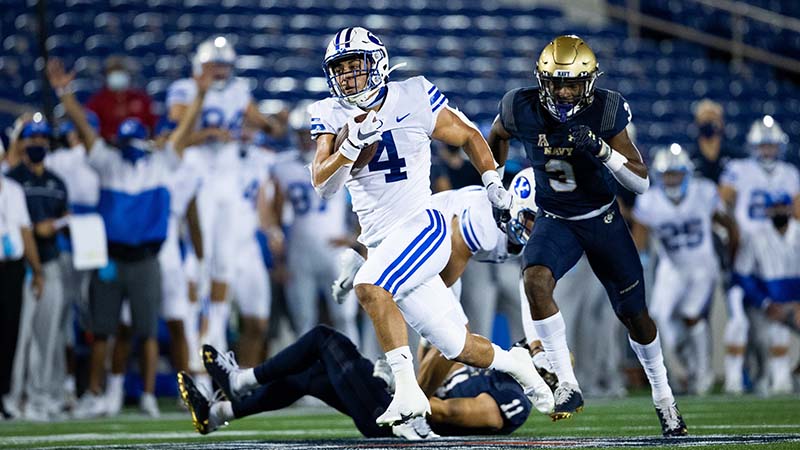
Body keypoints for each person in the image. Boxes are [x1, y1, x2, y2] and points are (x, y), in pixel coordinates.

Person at [305, 26, 552, 425]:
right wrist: (349, 147)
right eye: (341, 69)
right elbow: (323, 184)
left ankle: (407, 393)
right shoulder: (330, 113)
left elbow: (468, 134)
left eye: (356, 66)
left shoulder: (413, 95)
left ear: (379, 63)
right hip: (383, 240)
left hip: (423, 226)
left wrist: (491, 180)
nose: (349, 76)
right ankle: (516, 363)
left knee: (369, 285)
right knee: (456, 345)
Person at [488, 35, 687, 436]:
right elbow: (496, 136)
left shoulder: (605, 109)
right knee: (535, 280)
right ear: (542, 80)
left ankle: (664, 397)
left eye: (572, 84)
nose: (563, 91)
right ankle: (567, 383)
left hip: (602, 219)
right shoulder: (519, 105)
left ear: (588, 83)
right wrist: (494, 181)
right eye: (556, 83)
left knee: (635, 316)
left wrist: (602, 151)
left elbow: (642, 182)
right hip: (555, 217)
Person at [47, 58, 211, 418]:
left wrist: (199, 95)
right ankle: (96, 393)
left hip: (147, 257)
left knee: (147, 331)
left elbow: (183, 131)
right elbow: (85, 130)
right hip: (112, 258)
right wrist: (65, 94)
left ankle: (149, 394)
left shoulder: (159, 162)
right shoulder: (108, 161)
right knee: (105, 330)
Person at [179, 325, 540, 439]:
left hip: (401, 427)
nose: (526, 345)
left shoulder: (513, 399)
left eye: (537, 351)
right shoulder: (490, 371)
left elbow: (449, 415)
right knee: (310, 376)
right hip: (395, 412)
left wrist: (404, 390)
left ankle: (241, 379)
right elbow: (427, 375)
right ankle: (218, 413)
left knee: (325, 339)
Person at [167, 36, 283, 354]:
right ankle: (193, 328)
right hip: (197, 179)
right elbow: (176, 129)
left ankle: (213, 332)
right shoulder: (184, 90)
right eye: (214, 64)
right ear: (200, 65)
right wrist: (206, 132)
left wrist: (272, 124)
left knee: (224, 263)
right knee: (196, 260)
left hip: (227, 183)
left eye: (224, 65)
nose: (219, 71)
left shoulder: (238, 91)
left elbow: (264, 123)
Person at [632, 144, 738, 395]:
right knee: (658, 317)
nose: (672, 179)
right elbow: (640, 238)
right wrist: (640, 263)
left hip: (702, 265)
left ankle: (703, 375)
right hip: (672, 267)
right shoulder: (650, 200)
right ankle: (680, 371)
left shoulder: (704, 192)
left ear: (687, 173)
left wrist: (732, 255)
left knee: (692, 316)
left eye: (676, 173)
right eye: (667, 174)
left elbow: (729, 225)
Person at [718, 115, 799, 394]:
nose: (767, 151)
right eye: (762, 146)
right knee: (741, 323)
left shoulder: (790, 174)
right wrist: (732, 233)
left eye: (771, 146)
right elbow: (722, 203)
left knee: (774, 330)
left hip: (776, 262)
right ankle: (735, 380)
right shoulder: (738, 170)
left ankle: (779, 377)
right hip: (747, 250)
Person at [268, 103, 359, 342]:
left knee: (345, 317)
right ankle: (305, 376)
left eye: (309, 135)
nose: (305, 141)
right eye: (300, 134)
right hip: (299, 249)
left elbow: (361, 202)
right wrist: (279, 255)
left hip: (335, 248)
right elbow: (275, 212)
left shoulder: (339, 158)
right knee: (303, 320)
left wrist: (354, 237)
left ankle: (356, 372)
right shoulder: (283, 165)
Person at [6, 117, 69, 421]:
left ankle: (40, 397)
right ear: (22, 143)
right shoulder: (12, 178)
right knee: (18, 338)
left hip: (51, 262)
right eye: (32, 139)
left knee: (47, 336)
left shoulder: (57, 182)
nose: (38, 144)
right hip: (21, 268)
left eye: (43, 139)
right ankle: (12, 397)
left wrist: (55, 225)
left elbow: (64, 218)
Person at [732, 192, 800, 393]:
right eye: (775, 207)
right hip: (766, 304)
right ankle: (763, 376)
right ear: (768, 211)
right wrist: (765, 303)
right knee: (760, 337)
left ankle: (794, 373)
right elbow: (742, 275)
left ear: (790, 208)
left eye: (783, 207)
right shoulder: (755, 237)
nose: (779, 211)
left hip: (796, 304)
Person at [0, 171, 43, 419]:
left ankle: (4, 396)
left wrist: (37, 269)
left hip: (12, 269)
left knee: (9, 333)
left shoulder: (14, 190)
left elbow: (25, 232)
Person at [86, 55, 157, 140]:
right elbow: (89, 126)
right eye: (113, 71)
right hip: (107, 147)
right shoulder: (98, 101)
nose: (117, 74)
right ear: (107, 75)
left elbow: (153, 126)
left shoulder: (140, 98)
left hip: (138, 145)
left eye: (120, 70)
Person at [689, 99, 744, 184]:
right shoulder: (691, 157)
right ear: (697, 122)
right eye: (705, 119)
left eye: (712, 118)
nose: (708, 123)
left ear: (721, 121)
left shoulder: (735, 155)